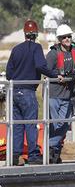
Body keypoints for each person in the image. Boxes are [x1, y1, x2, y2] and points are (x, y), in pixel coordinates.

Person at [4, 20, 60, 165]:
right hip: (28, 92)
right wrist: (55, 75)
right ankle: (34, 155)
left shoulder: (16, 49)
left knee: (17, 124)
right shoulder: (36, 48)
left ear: (24, 33)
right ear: (35, 34)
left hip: (14, 92)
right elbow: (41, 66)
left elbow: (9, 73)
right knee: (30, 123)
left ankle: (16, 156)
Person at [45, 24, 75, 164]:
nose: (67, 39)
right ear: (59, 39)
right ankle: (53, 152)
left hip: (68, 94)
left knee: (64, 124)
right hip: (54, 94)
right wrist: (57, 75)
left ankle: (51, 147)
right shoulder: (53, 54)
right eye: (64, 37)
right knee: (55, 124)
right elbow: (46, 70)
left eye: (69, 36)